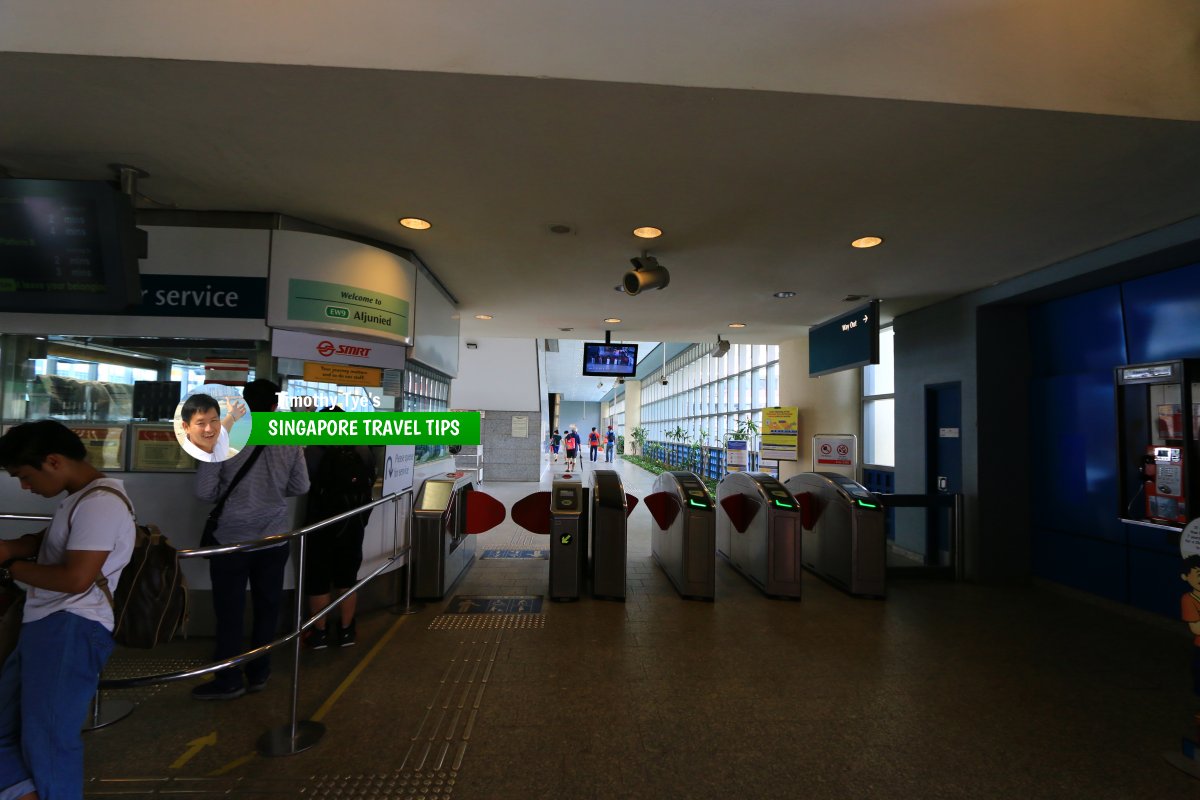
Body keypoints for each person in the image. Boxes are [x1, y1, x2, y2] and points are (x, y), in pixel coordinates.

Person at [0, 420, 135, 800]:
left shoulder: (100, 504)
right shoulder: (81, 498)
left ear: (54, 461)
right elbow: (50, 544)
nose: (25, 486)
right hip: (46, 624)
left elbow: (77, 578)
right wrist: (12, 549)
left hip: (70, 627)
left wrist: (10, 569)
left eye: (25, 476)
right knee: (11, 730)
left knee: (50, 741)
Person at [192, 379, 309, 700]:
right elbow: (301, 485)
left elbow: (204, 492)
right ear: (275, 404)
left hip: (232, 539)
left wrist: (237, 495)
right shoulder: (289, 437)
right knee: (267, 606)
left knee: (229, 610)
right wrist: (269, 493)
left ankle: (229, 678)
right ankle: (259, 671)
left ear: (241, 402)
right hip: (273, 537)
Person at [304, 407, 376, 649]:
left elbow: (301, 483)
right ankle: (347, 630)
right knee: (347, 577)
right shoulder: (362, 449)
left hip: (320, 522)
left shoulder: (313, 450)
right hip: (352, 523)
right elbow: (370, 480)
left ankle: (319, 633)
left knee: (318, 579)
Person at [179, 393, 246, 463]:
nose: (209, 429)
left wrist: (232, 415)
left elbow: (225, 426)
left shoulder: (218, 439)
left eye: (213, 420)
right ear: (186, 427)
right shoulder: (189, 461)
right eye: (201, 423)